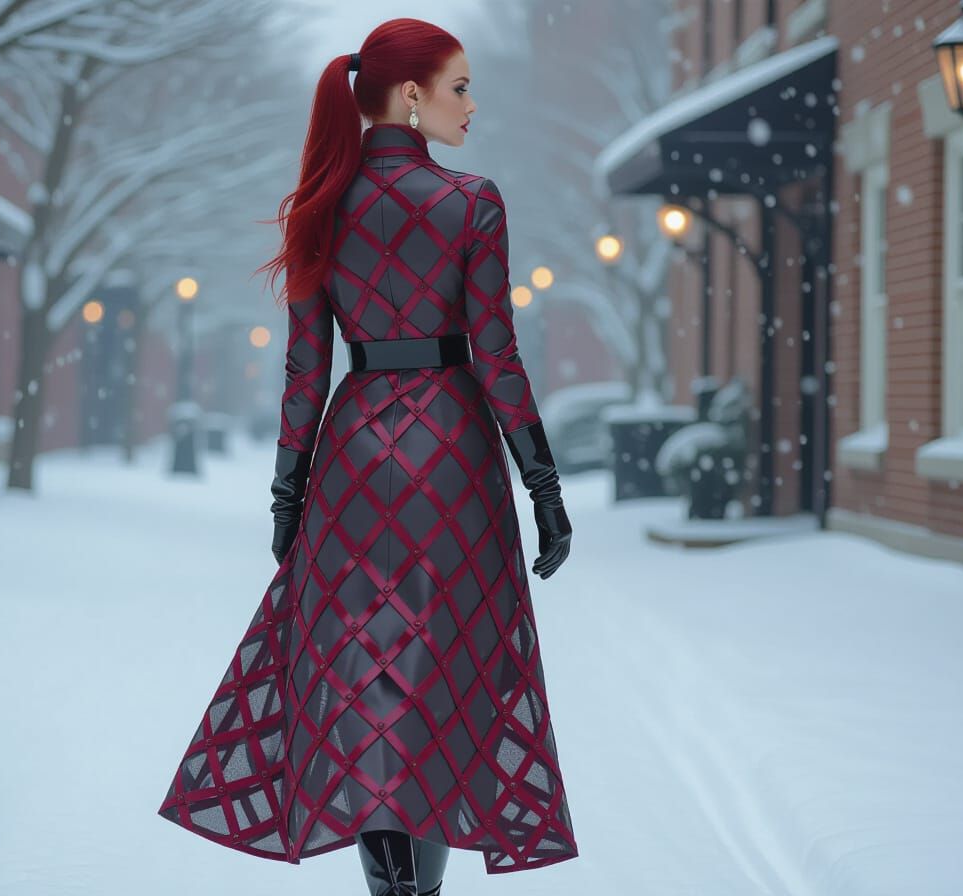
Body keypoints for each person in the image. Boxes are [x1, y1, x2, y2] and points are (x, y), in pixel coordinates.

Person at [157, 18, 577, 895]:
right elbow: (497, 355)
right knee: (443, 675)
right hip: (453, 454)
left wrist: (288, 493)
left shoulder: (320, 204)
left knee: (363, 679)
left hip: (353, 455)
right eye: (460, 87)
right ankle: (418, 886)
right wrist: (541, 482)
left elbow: (305, 369)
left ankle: (389, 881)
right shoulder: (473, 201)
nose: (472, 104)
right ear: (412, 95)